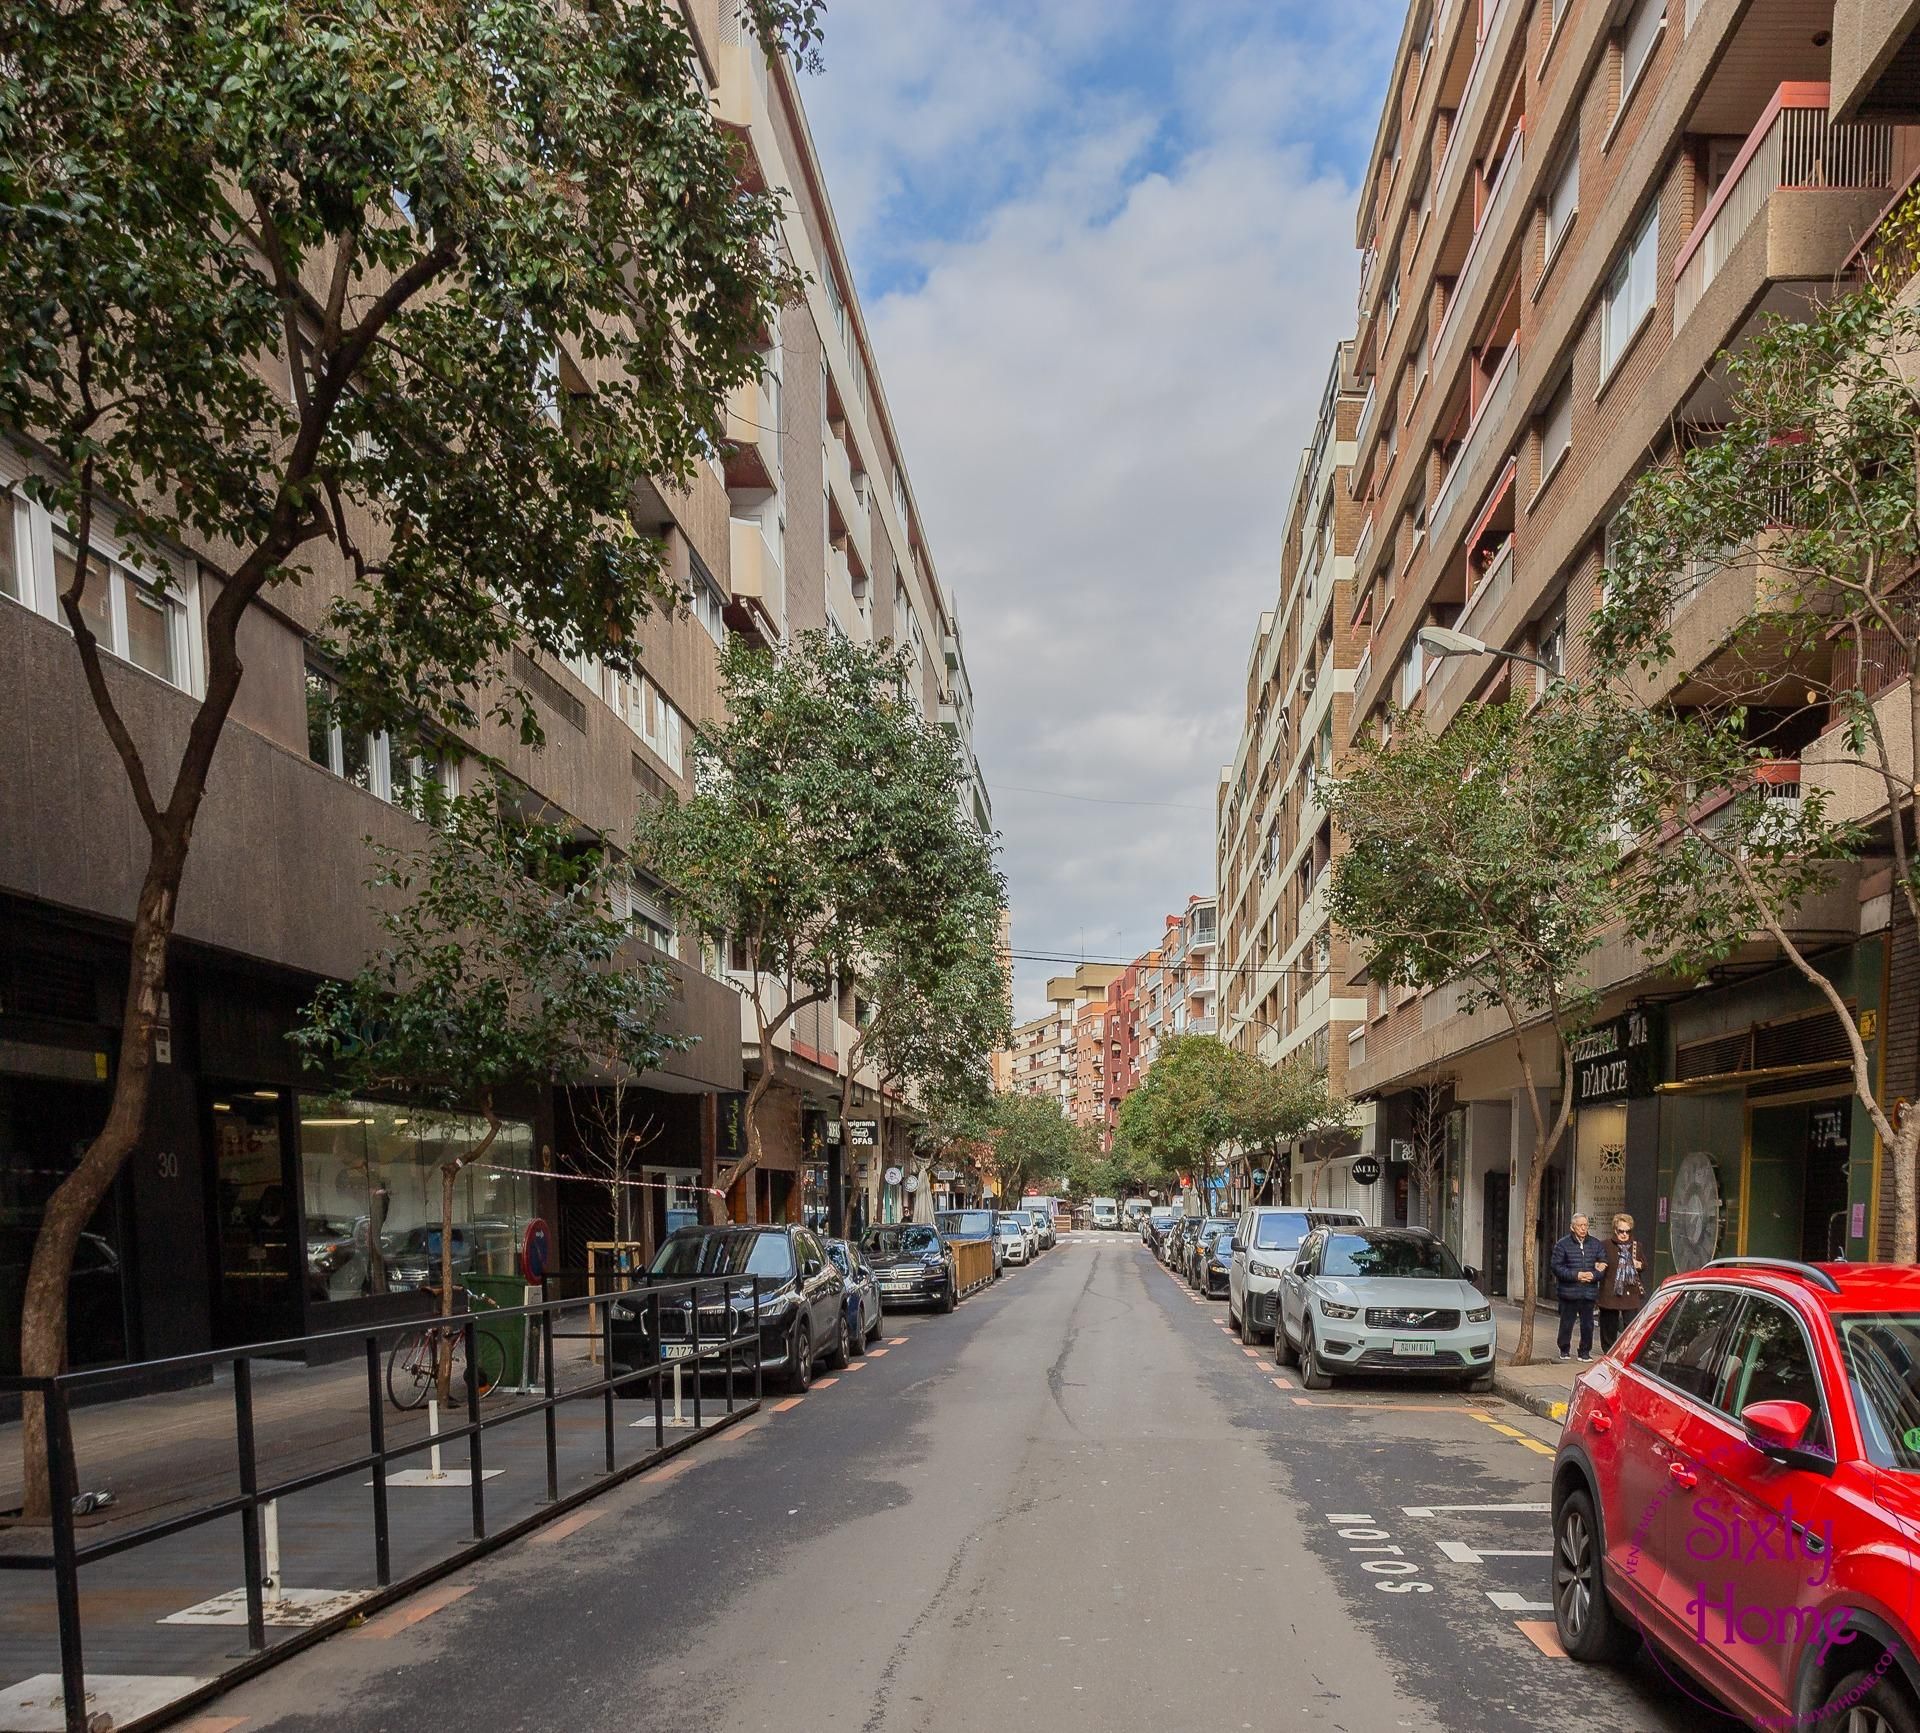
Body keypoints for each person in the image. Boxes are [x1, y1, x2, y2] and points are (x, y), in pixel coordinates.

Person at [1549, 1213, 1607, 1361]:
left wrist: (1593, 1275)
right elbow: (1557, 1267)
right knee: (1567, 1323)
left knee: (1588, 1325)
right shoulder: (1562, 1244)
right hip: (1569, 1292)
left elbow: (1603, 1264)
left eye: (1585, 1225)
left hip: (1589, 1292)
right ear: (1572, 1227)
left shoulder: (1595, 1244)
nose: (1583, 1228)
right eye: (1580, 1225)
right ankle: (1564, 1348)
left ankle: (1585, 1351)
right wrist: (1577, 1275)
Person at [1592, 1213, 1647, 1353]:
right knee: (1608, 1326)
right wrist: (1598, 1266)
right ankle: (1609, 1352)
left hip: (1630, 1291)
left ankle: (1628, 1351)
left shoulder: (1636, 1246)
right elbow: (1598, 1262)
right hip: (1611, 1291)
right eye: (1621, 1231)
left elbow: (1645, 1265)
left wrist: (1639, 1265)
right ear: (1615, 1230)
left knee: (1631, 1325)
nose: (1624, 1234)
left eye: (1628, 1231)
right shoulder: (1605, 1245)